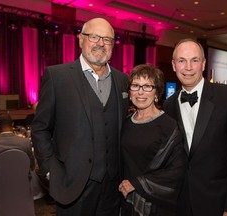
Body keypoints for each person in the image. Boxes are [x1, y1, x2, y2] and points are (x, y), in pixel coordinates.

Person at [31, 18, 129, 215]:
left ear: (112, 46)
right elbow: (40, 128)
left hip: (112, 187)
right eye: (94, 37)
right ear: (81, 40)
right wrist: (50, 170)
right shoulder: (57, 76)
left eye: (107, 40)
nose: (100, 43)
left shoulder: (122, 80)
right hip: (72, 185)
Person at [163, 39, 227, 216]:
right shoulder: (169, 105)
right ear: (174, 66)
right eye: (182, 61)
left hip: (219, 205)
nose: (188, 67)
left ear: (204, 64)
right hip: (180, 205)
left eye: (195, 60)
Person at [118, 64, 186, 216]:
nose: (140, 92)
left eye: (147, 86)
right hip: (126, 201)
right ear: (130, 91)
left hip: (157, 206)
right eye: (136, 86)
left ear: (157, 92)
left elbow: (176, 170)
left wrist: (136, 184)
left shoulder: (169, 126)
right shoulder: (125, 122)